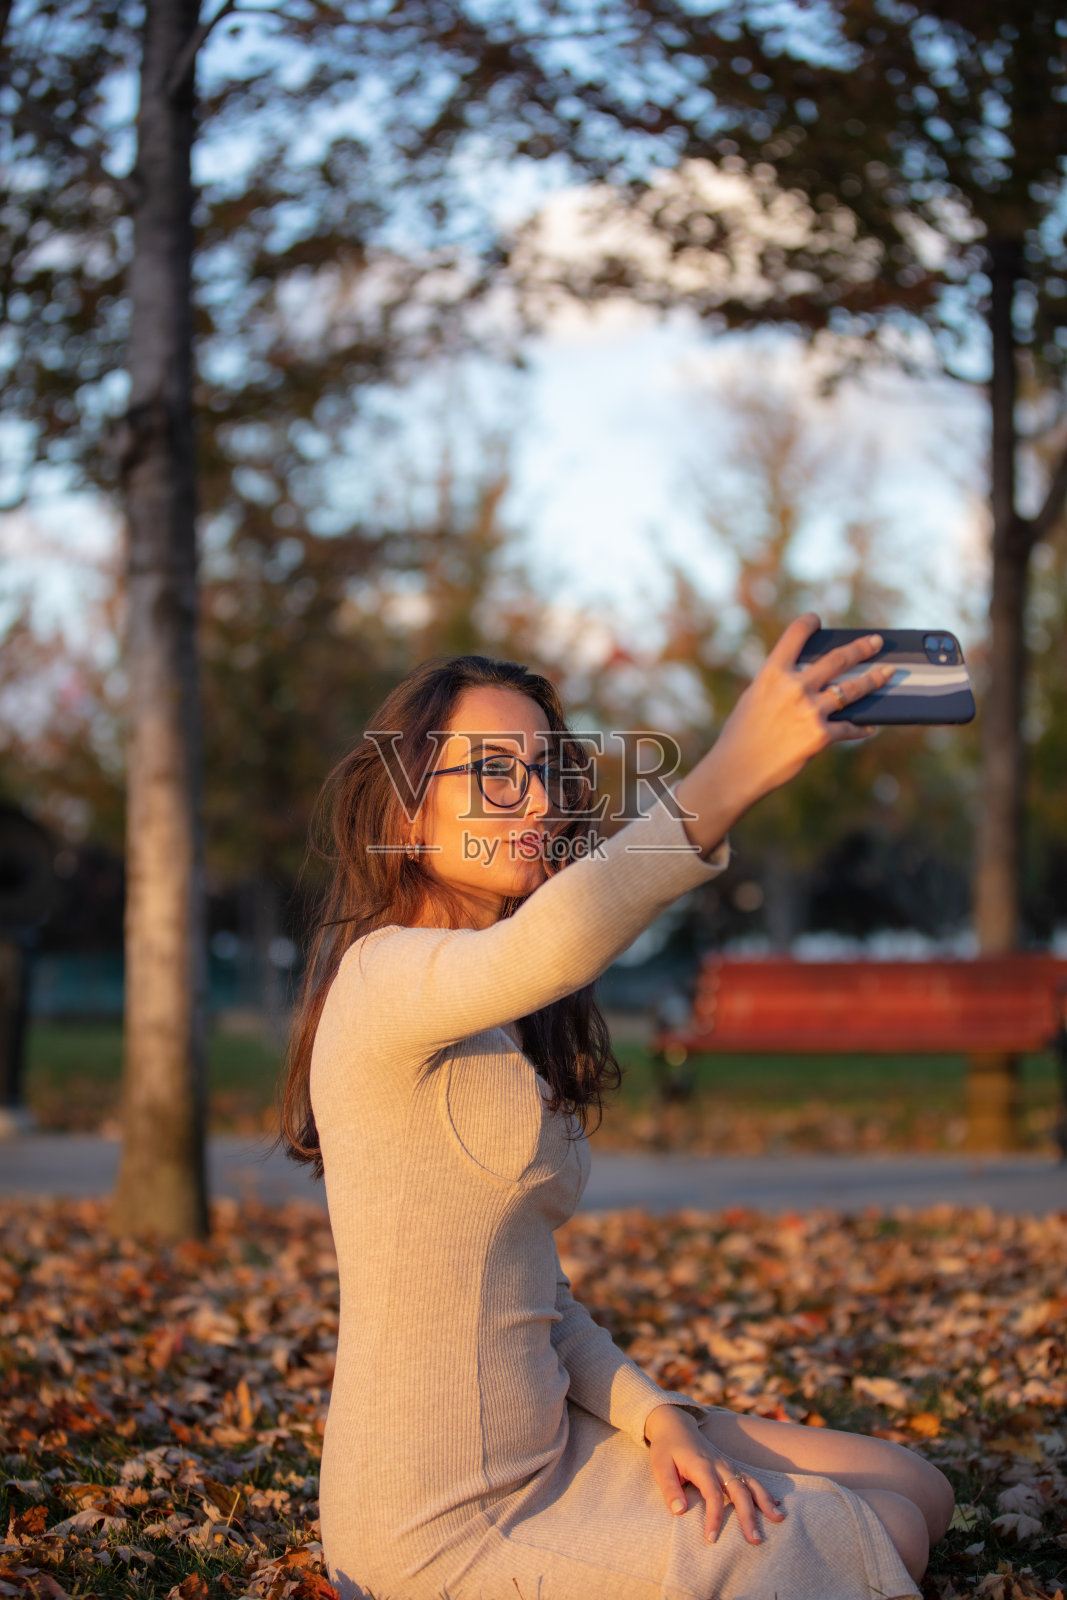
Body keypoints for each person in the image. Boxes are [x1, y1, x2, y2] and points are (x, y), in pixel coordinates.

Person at [281, 614, 954, 1600]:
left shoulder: (491, 1014)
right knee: (880, 1531)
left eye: (546, 769)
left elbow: (537, 1298)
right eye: (492, 773)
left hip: (553, 1441)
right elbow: (552, 941)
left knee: (914, 1489)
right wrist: (733, 768)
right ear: (406, 807)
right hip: (446, 1520)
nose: (536, 799)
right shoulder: (384, 977)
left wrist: (654, 1416)